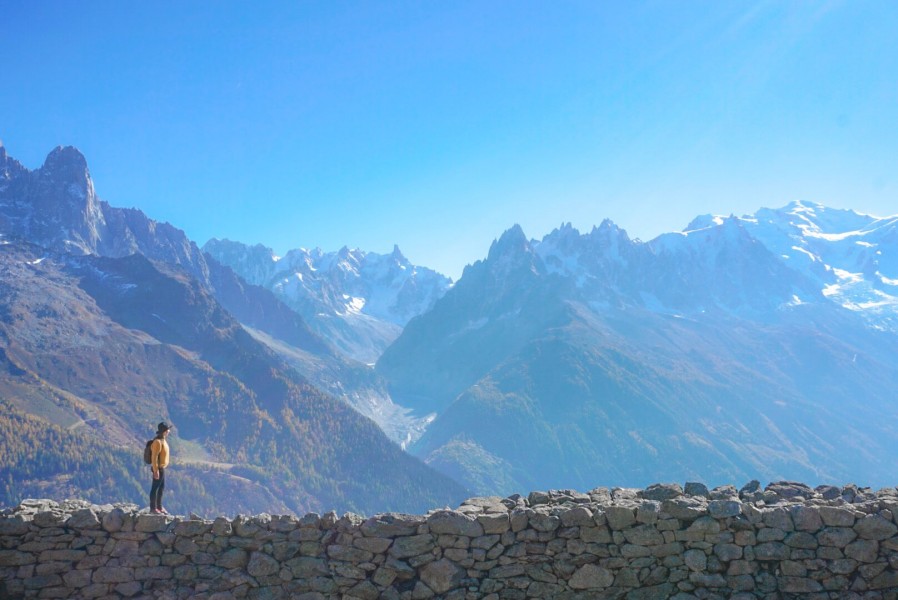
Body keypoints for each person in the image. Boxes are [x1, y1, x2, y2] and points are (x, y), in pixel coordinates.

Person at [149, 422, 172, 514]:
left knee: (161, 488)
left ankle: (159, 507)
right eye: (168, 430)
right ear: (164, 431)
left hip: (162, 468)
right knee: (155, 488)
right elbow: (154, 457)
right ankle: (153, 508)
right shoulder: (157, 442)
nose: (169, 431)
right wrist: (155, 470)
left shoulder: (163, 440)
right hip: (158, 469)